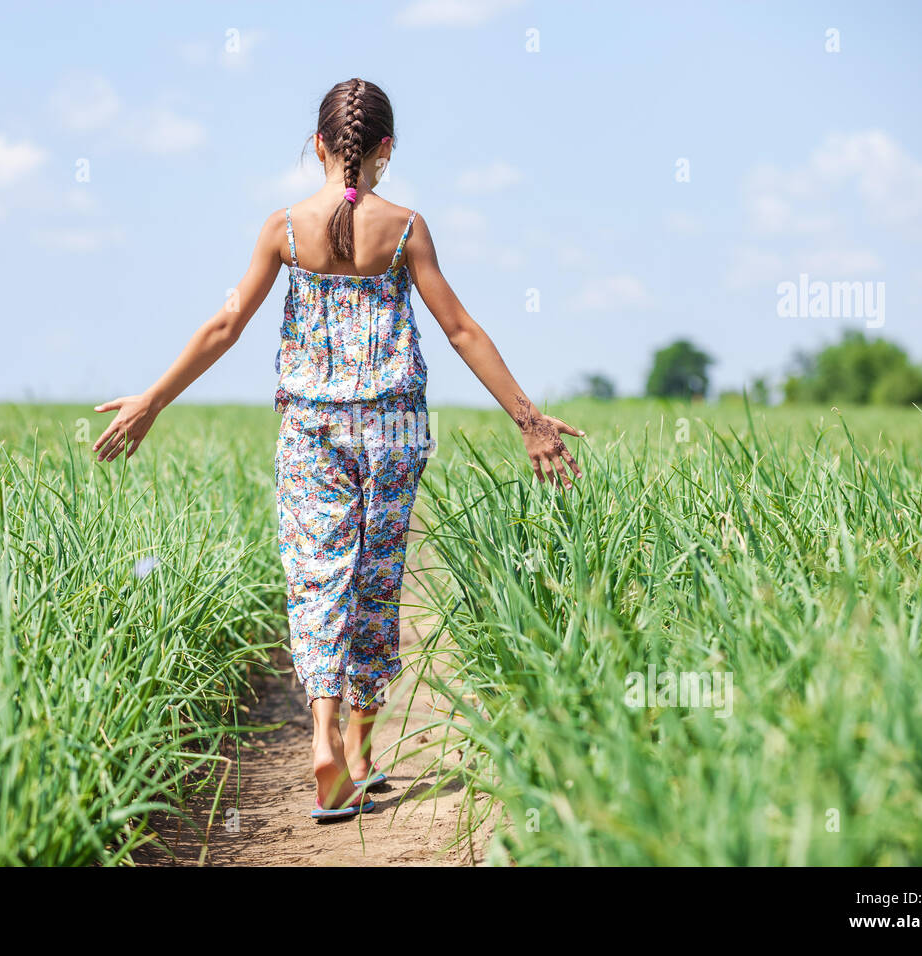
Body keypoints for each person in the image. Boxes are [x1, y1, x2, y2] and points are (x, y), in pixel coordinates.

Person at [94, 78, 583, 822]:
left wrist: (151, 400)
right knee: (377, 581)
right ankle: (359, 749)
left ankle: (323, 741)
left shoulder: (282, 231)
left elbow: (225, 326)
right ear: (385, 150)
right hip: (393, 431)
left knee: (319, 578)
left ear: (318, 146)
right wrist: (528, 419)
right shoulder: (407, 227)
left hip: (311, 432)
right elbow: (460, 330)